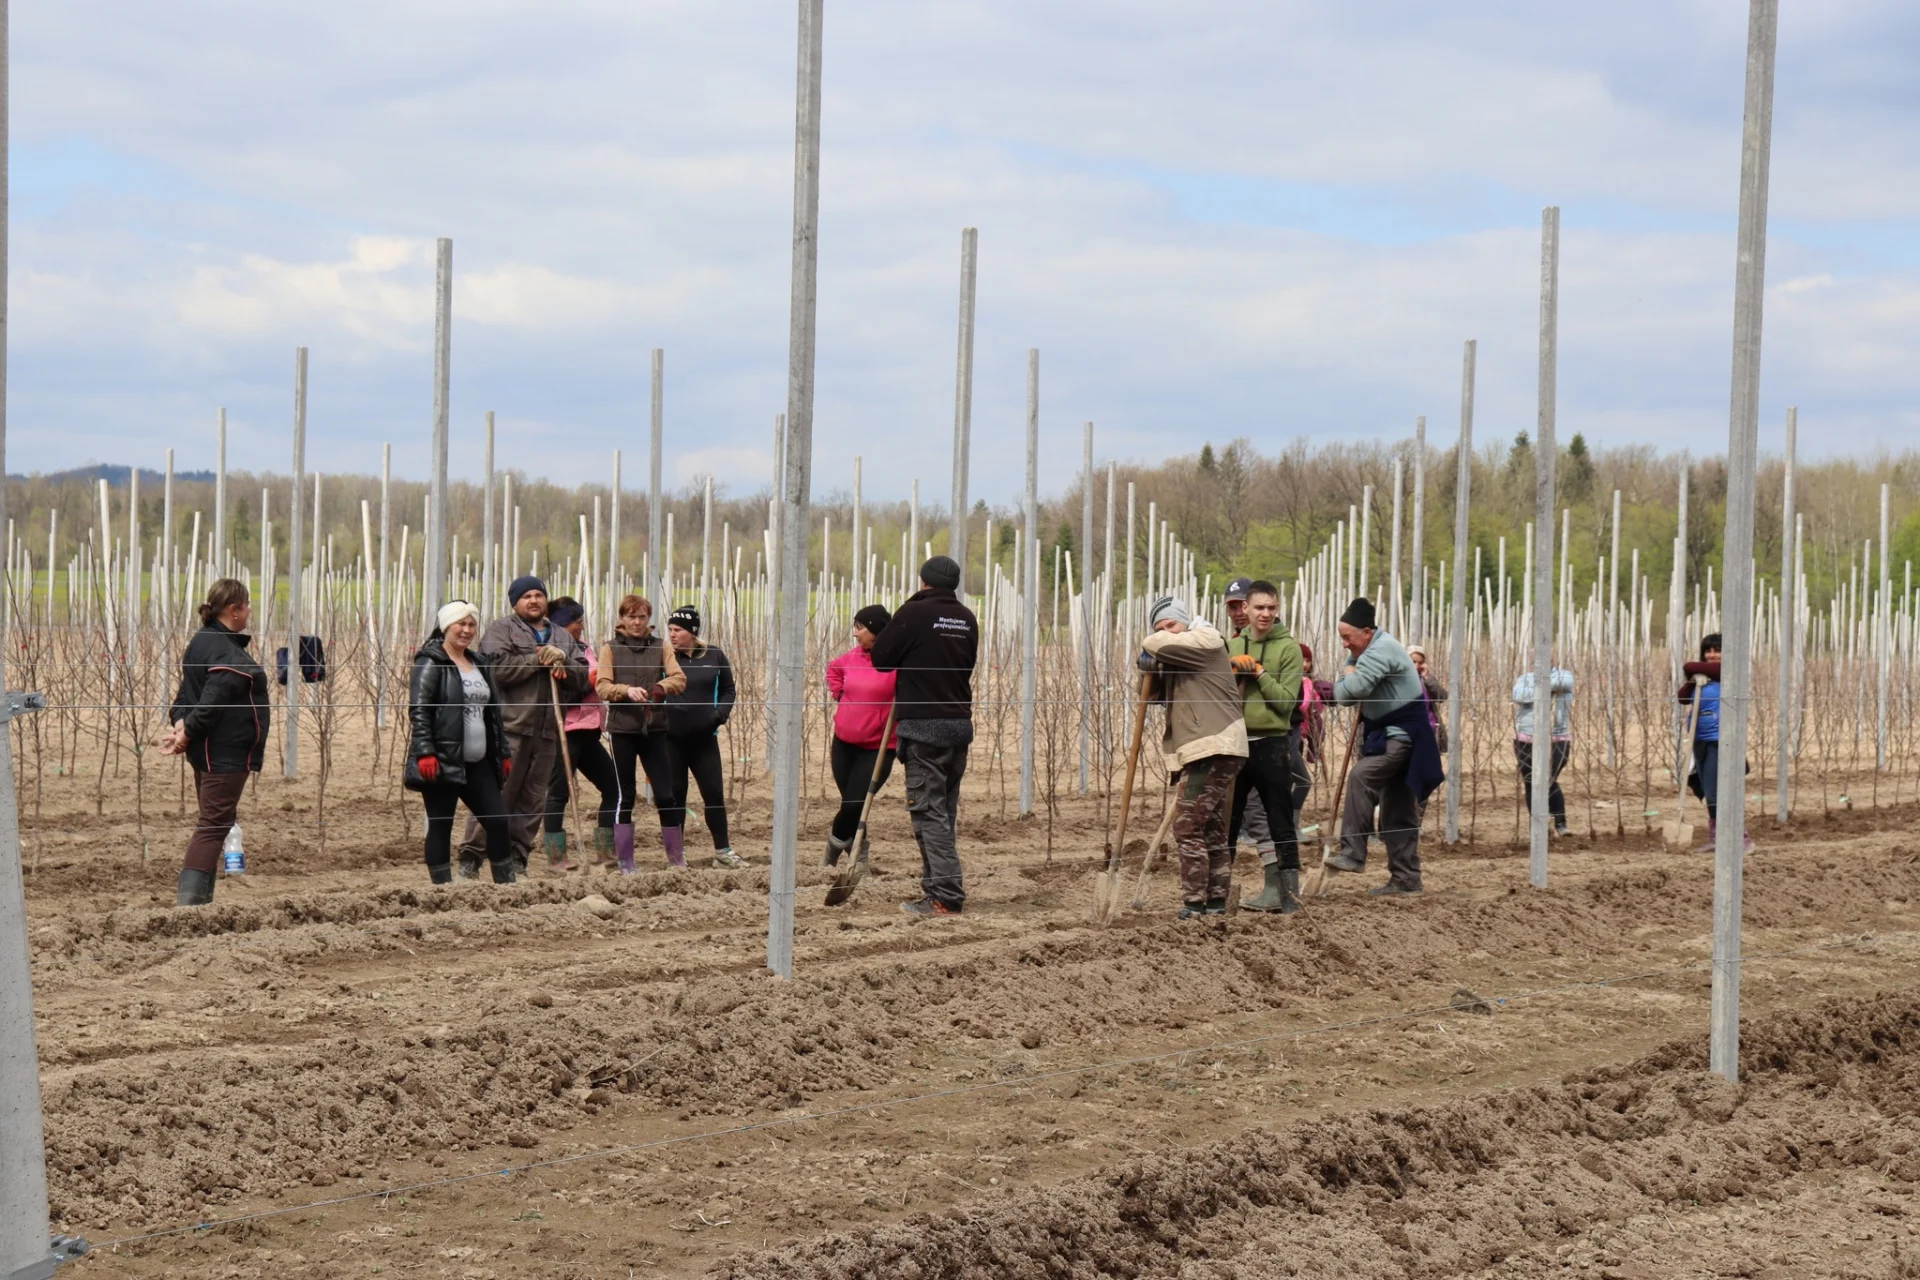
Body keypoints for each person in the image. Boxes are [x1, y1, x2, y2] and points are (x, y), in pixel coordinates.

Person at [456, 576, 590, 878]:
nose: (534, 600)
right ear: (515, 602)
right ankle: (472, 857)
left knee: (532, 799)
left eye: (539, 595)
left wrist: (564, 663)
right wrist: (538, 659)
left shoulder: (561, 636)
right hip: (510, 727)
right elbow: (495, 668)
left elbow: (582, 676)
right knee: (498, 794)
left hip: (547, 731)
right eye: (526, 596)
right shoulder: (501, 630)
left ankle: (517, 857)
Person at [870, 555, 979, 916]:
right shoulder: (966, 618)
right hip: (958, 727)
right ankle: (936, 890)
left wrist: (908, 608)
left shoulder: (914, 613)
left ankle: (945, 896)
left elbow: (882, 658)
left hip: (925, 729)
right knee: (942, 814)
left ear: (923, 582)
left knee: (928, 814)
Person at [1323, 598, 1444, 896]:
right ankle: (1406, 879)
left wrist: (1347, 675)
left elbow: (1350, 693)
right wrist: (1350, 670)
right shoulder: (1368, 650)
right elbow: (1347, 693)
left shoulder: (1382, 650)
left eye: (1347, 638)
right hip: (1390, 735)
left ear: (1367, 632)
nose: (1344, 645)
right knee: (1396, 810)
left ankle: (1353, 852)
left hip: (1403, 736)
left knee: (1361, 777)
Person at [162, 579, 271, 906]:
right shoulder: (223, 651)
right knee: (212, 826)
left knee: (216, 824)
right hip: (223, 754)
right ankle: (191, 907)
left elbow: (185, 696)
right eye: (246, 605)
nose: (249, 611)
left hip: (209, 751)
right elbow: (210, 702)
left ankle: (199, 905)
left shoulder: (202, 642)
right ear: (233, 609)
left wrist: (182, 725)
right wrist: (188, 731)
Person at [1138, 597, 1248, 919]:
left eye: (1172, 625)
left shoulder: (1207, 639)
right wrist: (1150, 668)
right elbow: (1151, 695)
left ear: (1185, 622)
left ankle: (1193, 904)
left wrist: (1155, 643)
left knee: (1186, 826)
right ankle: (1215, 903)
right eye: (1161, 628)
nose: (1167, 632)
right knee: (1211, 828)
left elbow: (1152, 641)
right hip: (1207, 747)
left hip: (1214, 745)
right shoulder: (1179, 657)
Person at [406, 601, 515, 884]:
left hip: (478, 762)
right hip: (443, 760)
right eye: (461, 624)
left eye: (471, 625)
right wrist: (425, 752)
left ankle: (506, 886)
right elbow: (420, 710)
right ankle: (443, 891)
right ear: (446, 627)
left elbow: (493, 714)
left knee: (499, 821)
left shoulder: (479, 662)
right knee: (441, 825)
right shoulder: (431, 661)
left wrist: (502, 752)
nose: (467, 630)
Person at [1226, 580, 1306, 914]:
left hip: (1272, 744)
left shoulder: (1289, 650)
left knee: (1280, 818)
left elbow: (1286, 704)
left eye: (1272, 608)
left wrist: (1258, 672)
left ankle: (1290, 896)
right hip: (1235, 743)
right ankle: (1219, 891)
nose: (1266, 614)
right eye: (1259, 607)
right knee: (1228, 820)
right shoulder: (1231, 646)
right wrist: (1232, 671)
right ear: (1246, 609)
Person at [599, 595, 687, 871]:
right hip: (623, 728)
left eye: (642, 617)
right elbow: (602, 686)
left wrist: (661, 687)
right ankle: (626, 860)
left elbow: (679, 678)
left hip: (655, 728)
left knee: (665, 794)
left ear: (648, 619)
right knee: (626, 794)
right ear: (622, 619)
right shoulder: (610, 648)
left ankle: (676, 858)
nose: (637, 623)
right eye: (631, 617)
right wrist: (625, 690)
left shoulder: (661, 647)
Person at [659, 606, 742, 868]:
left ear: (693, 632)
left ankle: (723, 851)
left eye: (678, 630)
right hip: (671, 739)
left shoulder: (714, 655)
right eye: (670, 629)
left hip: (705, 739)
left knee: (714, 794)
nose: (672, 635)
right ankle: (676, 857)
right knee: (675, 796)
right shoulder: (666, 657)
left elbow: (729, 689)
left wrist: (719, 716)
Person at [543, 597, 619, 868]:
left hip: (590, 732)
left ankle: (606, 852)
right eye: (577, 622)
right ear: (562, 625)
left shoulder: (584, 648)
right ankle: (556, 857)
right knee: (558, 793)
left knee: (613, 788)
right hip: (567, 732)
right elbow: (564, 693)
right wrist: (594, 680)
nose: (581, 627)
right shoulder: (553, 652)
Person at [824, 604, 898, 865]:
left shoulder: (895, 663)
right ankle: (859, 858)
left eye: (860, 627)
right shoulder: (851, 658)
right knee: (850, 802)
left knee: (855, 803)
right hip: (843, 743)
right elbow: (833, 670)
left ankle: (832, 852)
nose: (855, 634)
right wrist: (840, 694)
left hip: (878, 748)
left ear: (876, 629)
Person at [1678, 633, 1751, 852]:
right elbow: (1683, 697)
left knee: (1718, 791)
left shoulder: (1731, 672)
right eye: (1708, 651)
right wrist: (1694, 680)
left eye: (1717, 650)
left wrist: (1696, 671)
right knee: (1709, 790)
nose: (1712, 655)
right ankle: (1718, 839)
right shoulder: (1706, 676)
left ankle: (1741, 839)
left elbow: (1688, 665)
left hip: (1720, 740)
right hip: (1699, 739)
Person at [1221, 577, 1276, 868]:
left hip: (1268, 738)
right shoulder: (1228, 644)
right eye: (1232, 607)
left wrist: (1255, 668)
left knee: (1258, 809)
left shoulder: (1273, 640)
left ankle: (1276, 874)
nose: (1238, 612)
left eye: (1241, 605)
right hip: (1233, 737)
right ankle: (1221, 878)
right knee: (1229, 810)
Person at [1512, 662, 1574, 837]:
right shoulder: (1525, 678)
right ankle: (1539, 825)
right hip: (1526, 737)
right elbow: (1518, 695)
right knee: (1531, 781)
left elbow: (1564, 683)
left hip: (1556, 738)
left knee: (1548, 779)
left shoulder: (1564, 675)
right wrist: (1546, 690)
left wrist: (1535, 690)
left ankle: (1560, 823)